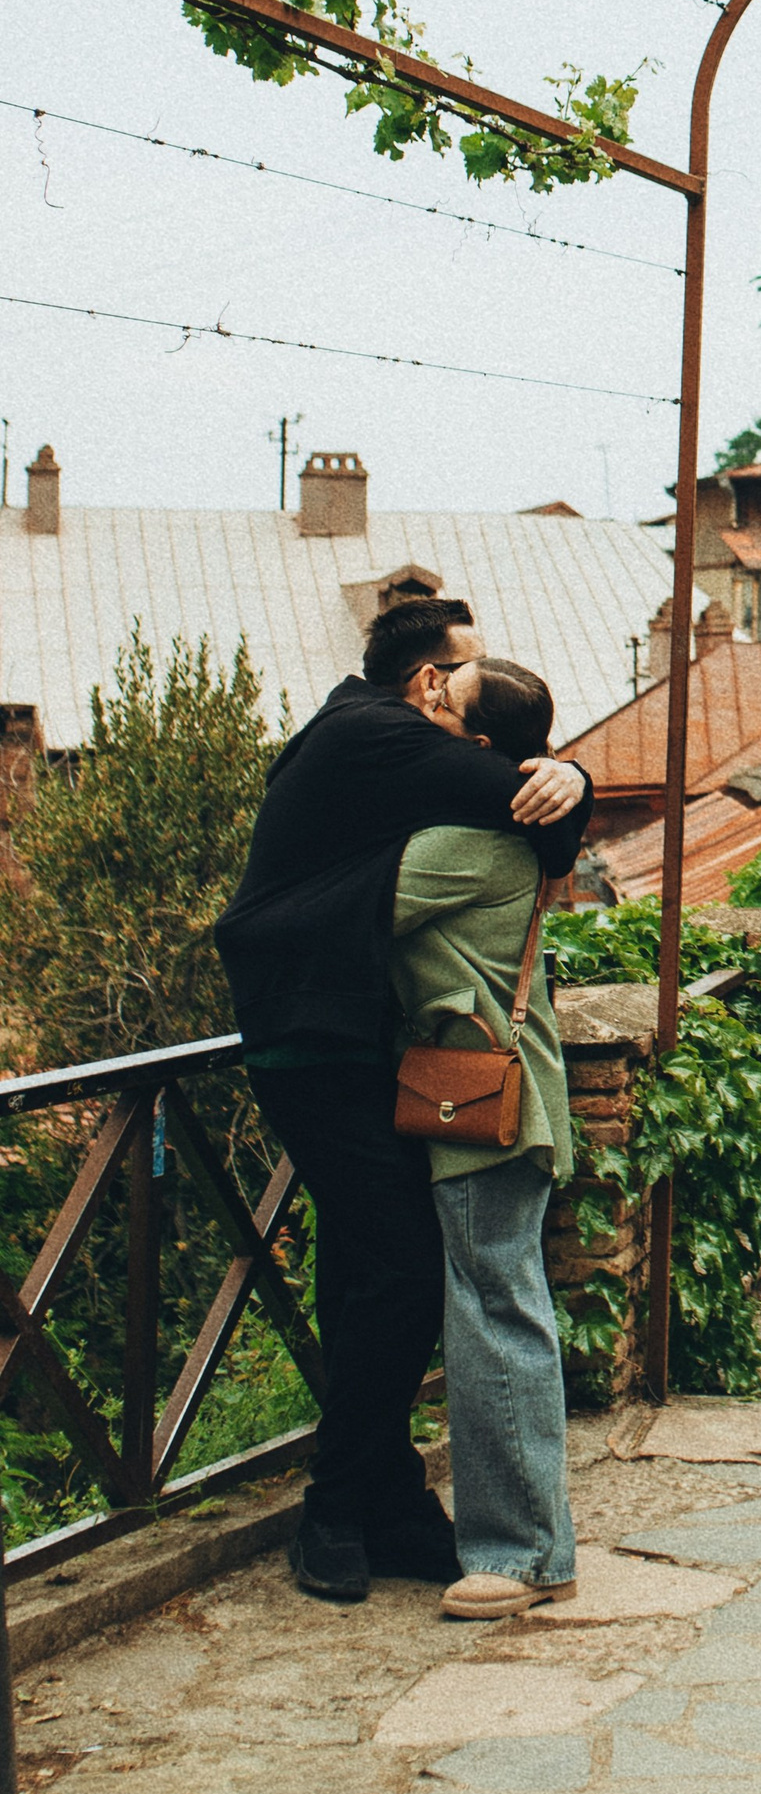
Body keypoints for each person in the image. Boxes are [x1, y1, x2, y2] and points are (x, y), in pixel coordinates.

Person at [216, 596, 592, 1603]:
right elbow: (512, 795)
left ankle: (376, 1499)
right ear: (428, 680)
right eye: (469, 662)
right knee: (394, 1268)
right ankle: (346, 1502)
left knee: (374, 1268)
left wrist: (570, 780)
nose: (468, 674)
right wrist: (565, 779)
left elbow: (519, 812)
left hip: (371, 1049)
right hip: (310, 1041)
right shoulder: (371, 730)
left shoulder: (373, 747)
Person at [391, 655, 579, 1619]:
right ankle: (533, 1542)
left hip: (486, 1109)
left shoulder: (468, 839)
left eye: (445, 699)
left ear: (476, 742)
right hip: (505, 1099)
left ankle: (517, 1555)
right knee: (503, 1305)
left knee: (495, 1315)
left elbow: (365, 901)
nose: (426, 701)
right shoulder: (510, 823)